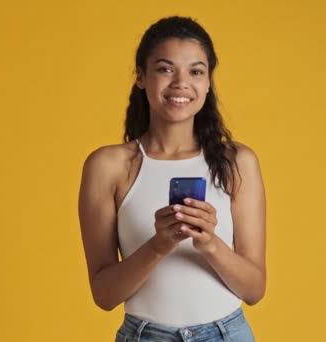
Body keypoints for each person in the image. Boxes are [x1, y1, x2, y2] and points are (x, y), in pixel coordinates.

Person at [78, 16, 266, 342]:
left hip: (227, 334)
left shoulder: (237, 162)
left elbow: (254, 289)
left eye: (195, 71)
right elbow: (104, 296)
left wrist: (209, 243)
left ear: (208, 83)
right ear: (141, 76)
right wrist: (159, 245)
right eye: (165, 69)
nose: (181, 83)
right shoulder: (108, 166)